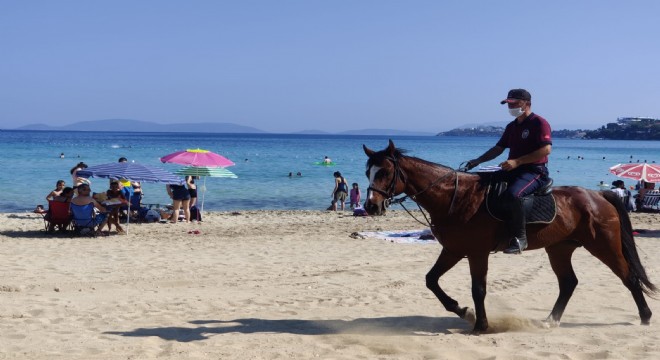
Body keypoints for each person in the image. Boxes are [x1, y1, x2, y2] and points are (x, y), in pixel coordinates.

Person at [464, 89, 552, 254]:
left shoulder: (539, 123)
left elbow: (546, 150)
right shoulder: (512, 126)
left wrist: (517, 161)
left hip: (535, 171)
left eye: (513, 103)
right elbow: (498, 148)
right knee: (479, 182)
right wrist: (477, 161)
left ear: (526, 103)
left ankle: (521, 238)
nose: (510, 107)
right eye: (508, 104)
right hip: (513, 169)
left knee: (514, 195)